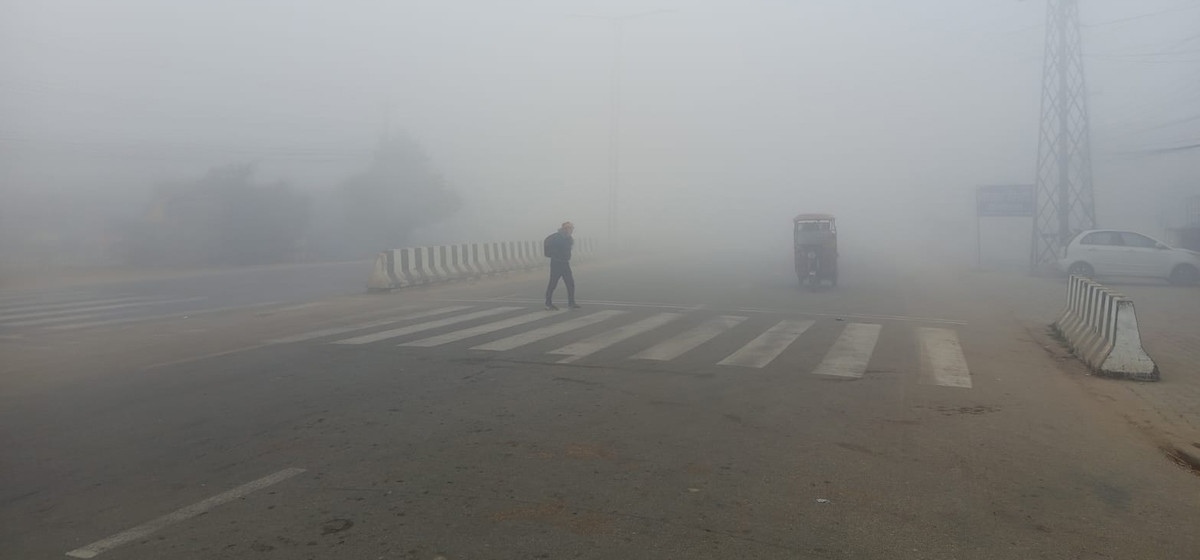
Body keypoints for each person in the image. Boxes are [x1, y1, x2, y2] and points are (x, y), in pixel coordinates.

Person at [544, 221, 579, 311]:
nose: (570, 230)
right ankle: (548, 303)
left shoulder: (568, 238)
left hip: (565, 263)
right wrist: (554, 255)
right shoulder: (557, 237)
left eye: (571, 228)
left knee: (570, 283)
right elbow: (549, 245)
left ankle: (571, 303)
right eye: (568, 228)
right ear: (564, 229)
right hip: (556, 263)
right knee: (553, 283)